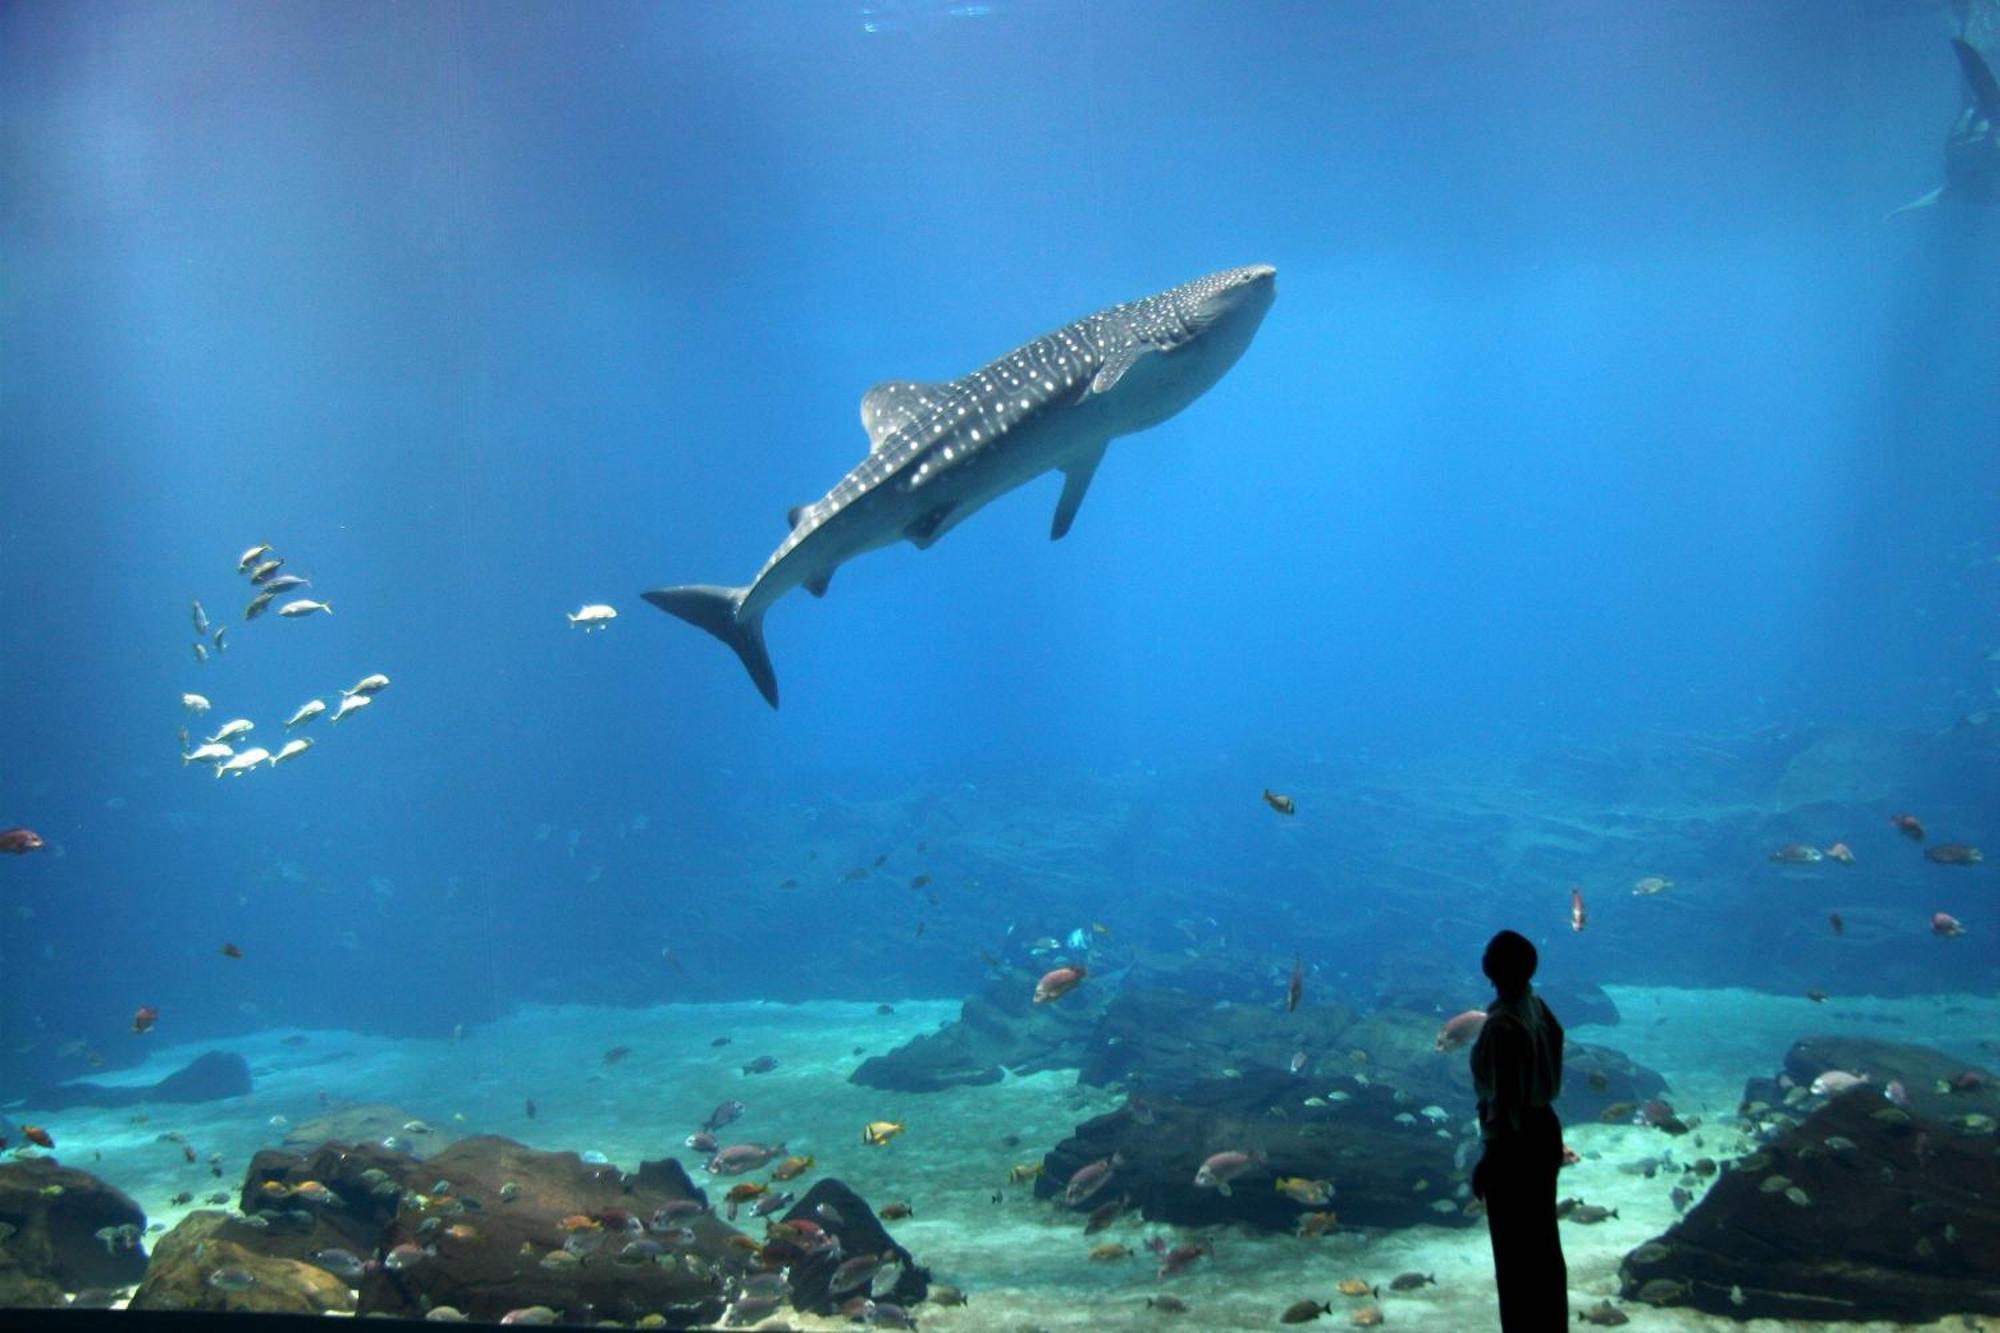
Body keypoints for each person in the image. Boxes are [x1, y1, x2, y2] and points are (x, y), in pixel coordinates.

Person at [1468, 929, 1567, 1331]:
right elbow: (1556, 1043)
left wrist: (1490, 1159)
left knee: (1515, 1254)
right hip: (1544, 1127)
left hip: (1516, 1141)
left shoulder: (1501, 1025)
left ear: (1490, 969)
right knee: (1542, 1245)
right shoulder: (1536, 1005)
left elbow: (1505, 1101)